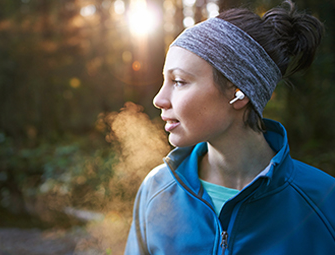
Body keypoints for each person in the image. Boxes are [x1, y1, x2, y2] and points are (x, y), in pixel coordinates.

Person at [124, 1, 335, 254]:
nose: (159, 99)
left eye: (179, 81)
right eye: (165, 81)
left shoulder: (325, 201)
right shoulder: (156, 189)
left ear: (239, 93)